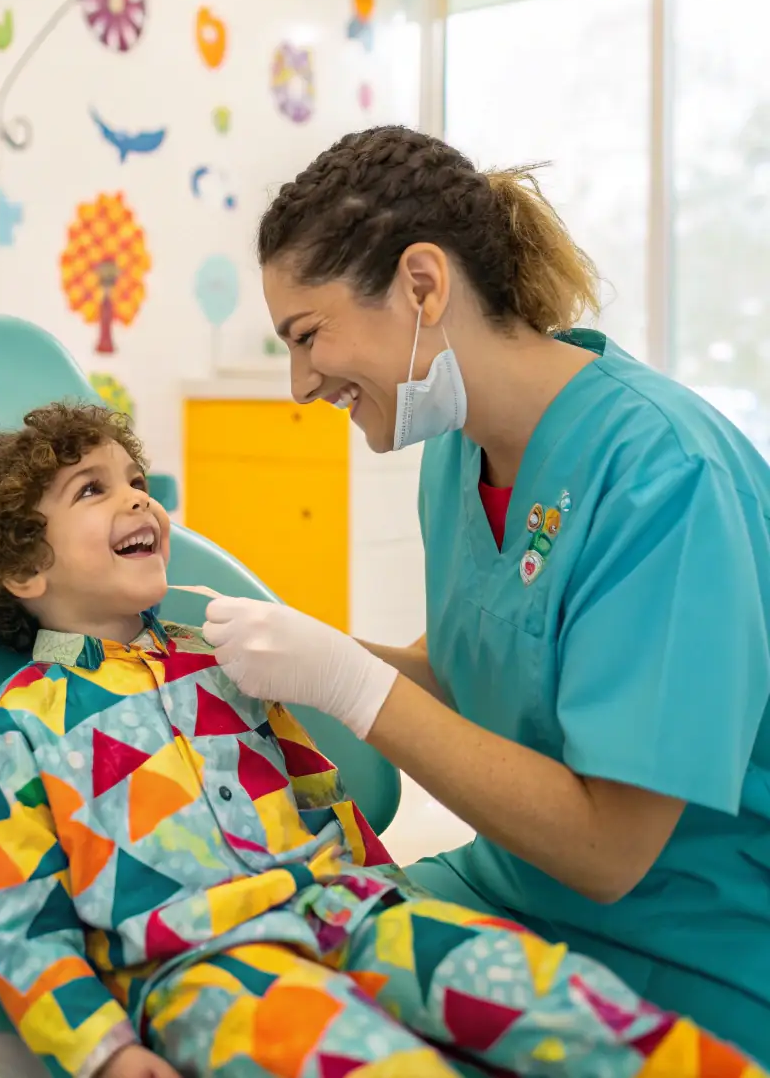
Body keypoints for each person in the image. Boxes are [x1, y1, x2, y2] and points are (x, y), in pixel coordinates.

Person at [0, 401, 759, 1078]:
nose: (140, 498)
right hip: (204, 969)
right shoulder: (18, 726)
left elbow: (314, 781)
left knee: (557, 998)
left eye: (138, 479)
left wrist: (390, 893)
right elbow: (22, 918)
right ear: (25, 570)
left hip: (350, 910)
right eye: (92, 490)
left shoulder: (216, 657)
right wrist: (102, 1051)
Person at [201, 124, 770, 1066]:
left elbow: (608, 849)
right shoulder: (456, 452)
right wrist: (299, 655)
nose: (301, 384)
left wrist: (353, 684)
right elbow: (478, 666)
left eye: (308, 336)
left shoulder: (665, 475)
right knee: (250, 979)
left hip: (687, 939)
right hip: (511, 888)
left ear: (423, 284)